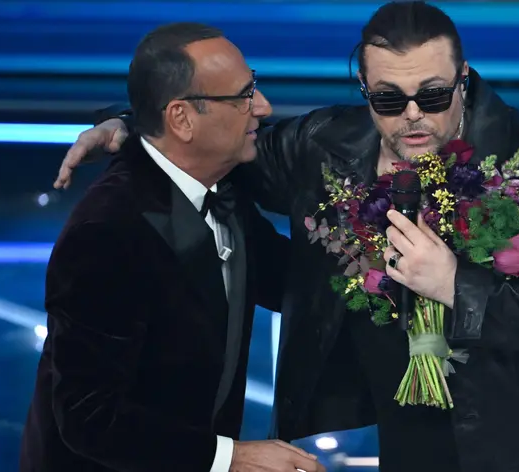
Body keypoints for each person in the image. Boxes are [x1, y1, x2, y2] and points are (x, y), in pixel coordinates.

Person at [54, 3, 519, 471]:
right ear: (364, 87)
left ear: (464, 80)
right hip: (410, 441)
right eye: (389, 98)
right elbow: (213, 139)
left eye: (433, 95)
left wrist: (456, 285)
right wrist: (131, 126)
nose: (413, 115)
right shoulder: (324, 145)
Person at [20, 22, 325, 472]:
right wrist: (230, 458)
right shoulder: (107, 230)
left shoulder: (223, 186)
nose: (263, 106)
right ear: (181, 119)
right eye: (243, 96)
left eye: (254, 86)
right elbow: (89, 417)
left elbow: (292, 283)